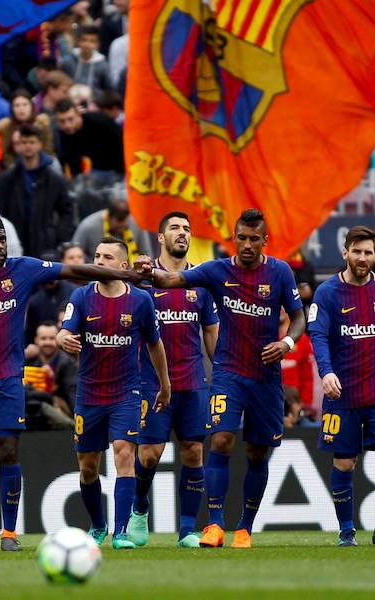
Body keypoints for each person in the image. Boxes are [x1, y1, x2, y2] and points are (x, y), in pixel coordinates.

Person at [0, 220, 150, 551]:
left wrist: (125, 275)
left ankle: (9, 533)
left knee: (7, 450)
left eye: (2, 239)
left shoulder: (23, 269)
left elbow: (74, 269)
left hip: (8, 380)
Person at [136, 209, 306, 549]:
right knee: (220, 441)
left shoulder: (280, 272)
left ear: (264, 241)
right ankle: (214, 525)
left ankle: (244, 527)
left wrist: (286, 343)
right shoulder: (217, 270)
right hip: (227, 373)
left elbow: (299, 315)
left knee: (258, 453)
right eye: (240, 238)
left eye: (253, 239)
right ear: (234, 238)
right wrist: (147, 272)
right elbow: (172, 280)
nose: (246, 245)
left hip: (265, 377)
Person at [56, 237, 170, 549]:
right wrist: (62, 338)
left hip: (127, 392)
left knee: (124, 453)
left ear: (122, 266)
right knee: (88, 466)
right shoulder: (81, 297)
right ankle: (98, 524)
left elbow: (154, 344)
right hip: (89, 394)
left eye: (107, 257)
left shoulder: (140, 301)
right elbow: (64, 330)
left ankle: (120, 532)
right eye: (96, 255)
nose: (99, 261)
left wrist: (165, 383)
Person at [308, 225, 375, 547]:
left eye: (369, 252)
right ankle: (346, 530)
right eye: (357, 251)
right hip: (342, 394)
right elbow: (318, 335)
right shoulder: (327, 293)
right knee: (344, 463)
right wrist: (326, 372)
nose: (363, 258)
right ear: (345, 252)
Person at [127, 212, 219, 549]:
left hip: (193, 383)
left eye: (187, 228)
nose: (182, 233)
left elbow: (211, 335)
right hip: (150, 383)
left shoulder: (201, 281)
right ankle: (139, 507)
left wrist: (220, 374)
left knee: (194, 452)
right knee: (150, 454)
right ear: (161, 238)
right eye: (175, 228)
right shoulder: (145, 280)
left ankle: (186, 530)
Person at [0, 124, 74, 258]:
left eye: (32, 142)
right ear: (18, 145)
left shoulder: (53, 179)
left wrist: (56, 235)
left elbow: (67, 210)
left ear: (40, 144)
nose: (28, 146)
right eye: (24, 142)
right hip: (14, 242)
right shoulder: (6, 179)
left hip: (45, 245)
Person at [24, 321, 77, 428]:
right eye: (43, 338)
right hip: (30, 408)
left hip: (59, 410)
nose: (47, 342)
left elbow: (72, 392)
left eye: (52, 338)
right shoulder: (28, 360)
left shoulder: (67, 363)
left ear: (58, 340)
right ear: (36, 340)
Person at [54, 98, 124, 178]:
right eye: (62, 121)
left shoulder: (99, 122)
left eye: (70, 119)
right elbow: (71, 160)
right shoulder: (64, 133)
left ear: (78, 115)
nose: (67, 125)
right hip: (94, 170)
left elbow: (122, 142)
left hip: (117, 168)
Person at [72, 198, 151, 265]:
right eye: (119, 220)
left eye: (125, 219)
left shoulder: (136, 223)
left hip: (131, 276)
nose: (123, 224)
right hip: (95, 275)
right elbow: (73, 252)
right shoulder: (88, 226)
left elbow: (146, 253)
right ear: (108, 217)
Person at [0, 89, 54, 168]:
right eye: (17, 105)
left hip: (42, 164)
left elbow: (48, 149)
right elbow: (7, 154)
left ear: (31, 106)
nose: (21, 109)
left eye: (25, 104)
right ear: (12, 109)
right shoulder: (6, 127)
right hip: (16, 167)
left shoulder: (42, 125)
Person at [59, 25, 111, 96]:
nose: (87, 44)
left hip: (94, 102)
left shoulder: (103, 65)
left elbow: (107, 88)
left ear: (97, 44)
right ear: (78, 41)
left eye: (92, 41)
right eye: (84, 40)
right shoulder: (68, 61)